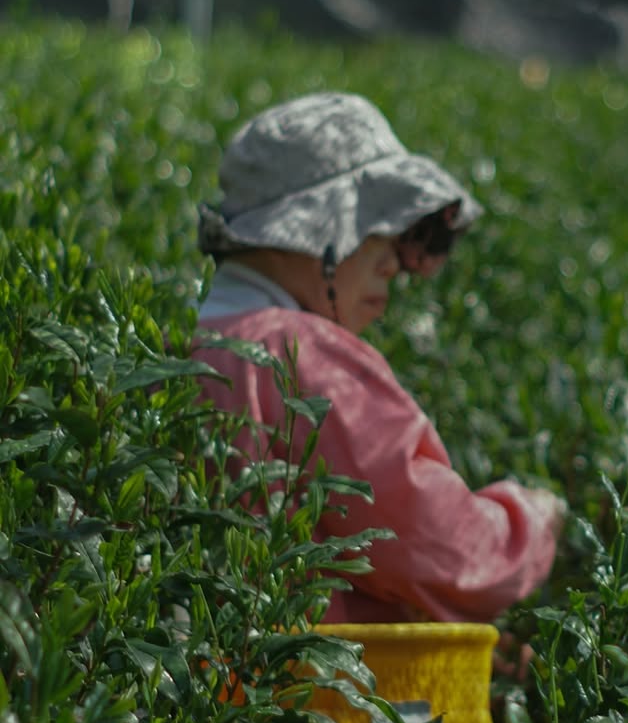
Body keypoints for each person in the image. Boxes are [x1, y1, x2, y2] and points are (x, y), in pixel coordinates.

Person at [192, 91, 564, 627]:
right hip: (318, 700)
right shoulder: (300, 355)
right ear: (297, 232)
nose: (394, 261)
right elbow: (437, 544)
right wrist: (531, 523)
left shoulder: (188, 340)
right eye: (374, 229)